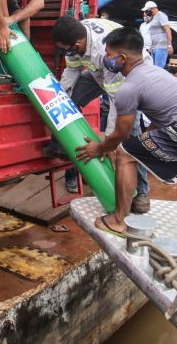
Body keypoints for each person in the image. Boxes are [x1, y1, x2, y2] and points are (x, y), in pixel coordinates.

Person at [75, 27, 177, 289]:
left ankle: (118, 220)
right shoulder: (156, 74)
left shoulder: (129, 87)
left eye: (108, 55)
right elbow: (160, 121)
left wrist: (101, 147)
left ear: (122, 59)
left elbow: (122, 132)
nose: (106, 60)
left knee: (125, 153)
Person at [46, 16, 149, 212]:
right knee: (70, 99)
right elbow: (71, 71)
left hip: (127, 74)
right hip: (97, 73)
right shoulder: (76, 37)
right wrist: (60, 95)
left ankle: (142, 192)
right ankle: (58, 146)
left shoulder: (107, 53)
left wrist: (111, 140)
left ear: (77, 43)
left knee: (131, 134)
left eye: (68, 49)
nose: (67, 52)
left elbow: (116, 100)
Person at [143, 1, 173, 68]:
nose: (146, 12)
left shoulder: (161, 15)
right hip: (154, 47)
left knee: (159, 68)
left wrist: (169, 45)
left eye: (147, 10)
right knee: (154, 68)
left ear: (152, 9)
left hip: (161, 46)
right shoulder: (153, 17)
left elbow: (167, 29)